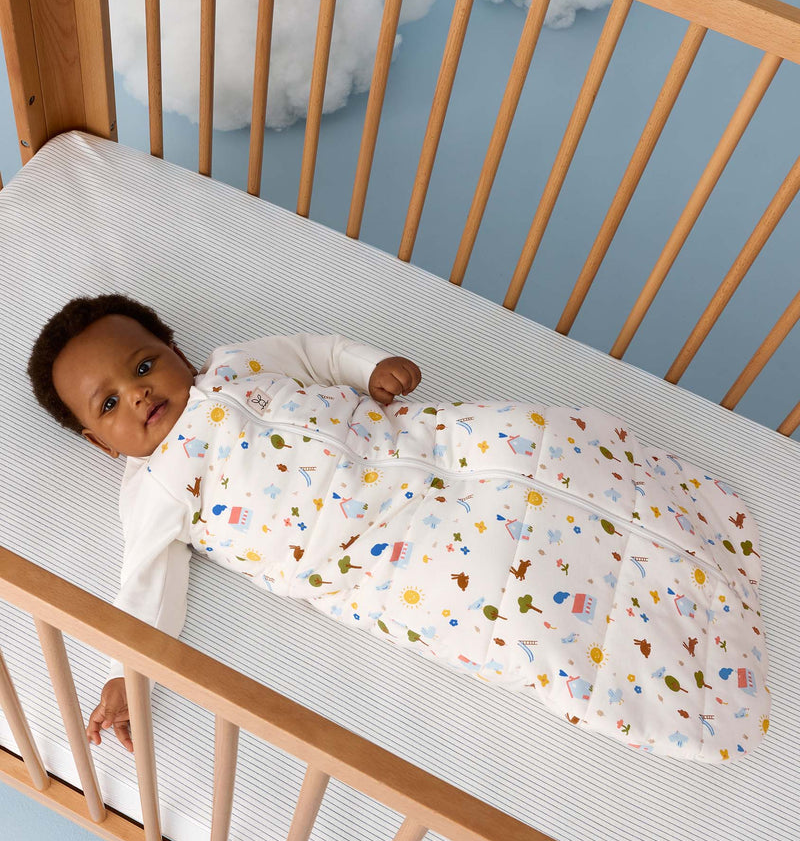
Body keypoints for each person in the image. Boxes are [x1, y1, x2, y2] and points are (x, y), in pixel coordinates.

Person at [27, 293, 768, 762]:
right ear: (99, 444)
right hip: (384, 555)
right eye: (109, 405)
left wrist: (369, 366)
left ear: (176, 347)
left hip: (417, 444)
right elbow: (146, 587)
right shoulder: (154, 488)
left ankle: (671, 523)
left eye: (144, 364)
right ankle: (681, 666)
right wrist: (130, 677)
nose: (139, 395)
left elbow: (315, 351)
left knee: (525, 433)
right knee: (500, 592)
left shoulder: (237, 364)